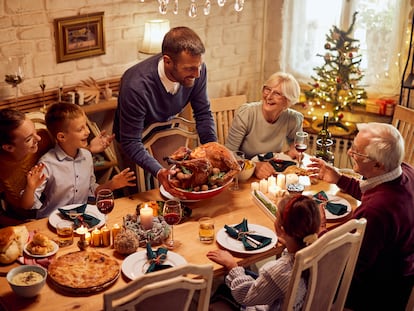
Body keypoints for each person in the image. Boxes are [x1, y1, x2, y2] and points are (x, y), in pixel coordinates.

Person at [308, 122, 414, 311]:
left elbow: (344, 262)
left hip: (378, 291)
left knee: (302, 267)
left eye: (357, 151)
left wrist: (321, 230)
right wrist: (339, 179)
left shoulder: (376, 211)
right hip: (401, 267)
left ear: (378, 164)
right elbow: (377, 190)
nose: (349, 153)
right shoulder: (404, 170)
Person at [113, 26, 217, 196]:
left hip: (166, 133)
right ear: (168, 61)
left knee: (176, 187)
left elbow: (203, 113)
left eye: (199, 66)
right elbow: (131, 141)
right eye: (190, 68)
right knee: (145, 194)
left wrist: (212, 149)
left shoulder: (197, 69)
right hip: (133, 141)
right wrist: (158, 171)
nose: (197, 74)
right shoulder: (135, 86)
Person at [0, 108, 114, 225]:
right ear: (9, 148)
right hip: (22, 220)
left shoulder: (43, 138)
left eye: (35, 132)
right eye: (29, 139)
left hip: (57, 214)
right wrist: (23, 225)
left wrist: (89, 149)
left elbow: (66, 148)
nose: (38, 139)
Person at [207, 195, 321, 310]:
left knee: (222, 290)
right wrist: (288, 241)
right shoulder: (317, 249)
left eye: (276, 217)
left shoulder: (280, 270)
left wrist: (232, 266)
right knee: (243, 274)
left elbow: (246, 296)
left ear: (282, 230)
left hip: (261, 305)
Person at [28, 103, 135, 219]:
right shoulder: (47, 164)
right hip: (52, 220)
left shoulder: (87, 156)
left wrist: (112, 184)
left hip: (80, 219)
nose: (88, 132)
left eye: (86, 126)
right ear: (62, 137)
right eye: (80, 129)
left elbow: (92, 191)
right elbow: (30, 203)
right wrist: (30, 188)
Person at [225, 72, 304, 179]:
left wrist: (294, 151)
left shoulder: (293, 119)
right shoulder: (247, 114)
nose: (269, 96)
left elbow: (296, 147)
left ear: (287, 100)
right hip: (244, 175)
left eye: (277, 94)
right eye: (267, 89)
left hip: (272, 174)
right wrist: (254, 166)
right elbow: (229, 154)